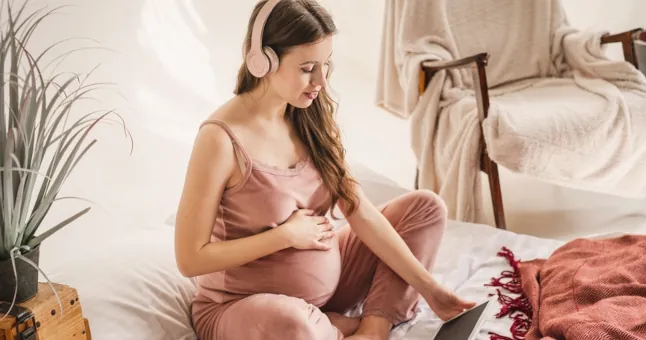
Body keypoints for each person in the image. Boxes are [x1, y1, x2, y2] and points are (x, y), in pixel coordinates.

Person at [173, 1, 476, 339]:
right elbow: (190, 259)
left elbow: (359, 211)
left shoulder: (310, 117)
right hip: (244, 309)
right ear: (263, 60)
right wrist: (284, 236)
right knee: (293, 324)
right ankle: (329, 326)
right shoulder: (220, 139)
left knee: (425, 207)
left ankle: (369, 330)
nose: (320, 81)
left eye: (325, 65)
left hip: (331, 289)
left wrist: (432, 290)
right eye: (307, 68)